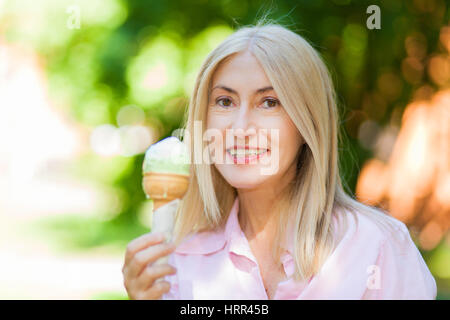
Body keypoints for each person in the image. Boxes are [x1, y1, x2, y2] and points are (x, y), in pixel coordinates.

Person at [122, 21, 437, 300]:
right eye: (225, 101)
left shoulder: (377, 246)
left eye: (269, 102)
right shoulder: (176, 261)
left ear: (306, 124)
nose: (241, 127)